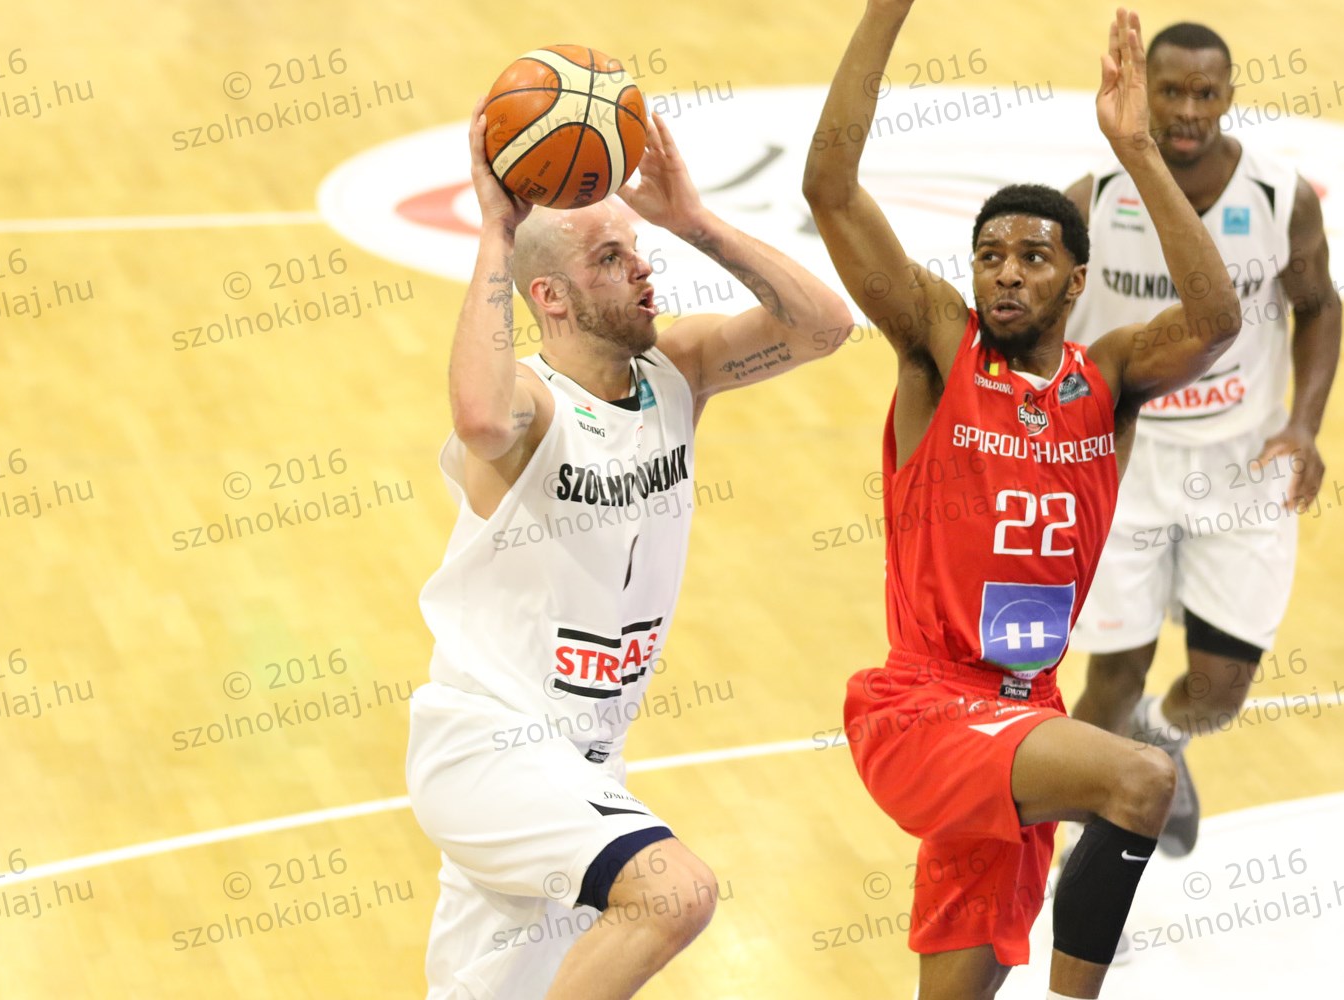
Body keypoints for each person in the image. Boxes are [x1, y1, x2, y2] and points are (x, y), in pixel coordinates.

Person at [803, 4, 1242, 997]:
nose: (1005, 271)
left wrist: (1136, 150)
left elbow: (1217, 320)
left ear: (1075, 281)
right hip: (926, 708)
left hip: (1024, 714)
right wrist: (885, 13)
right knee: (1142, 777)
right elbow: (828, 187)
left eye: (1032, 257)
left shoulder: (1108, 379)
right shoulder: (939, 349)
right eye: (989, 255)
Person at [406, 100, 852, 1000]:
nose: (643, 268)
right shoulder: (532, 405)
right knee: (675, 893)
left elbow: (824, 327)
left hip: (584, 759)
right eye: (610, 258)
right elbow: (481, 419)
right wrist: (496, 232)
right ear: (551, 297)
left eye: (638, 250)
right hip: (491, 744)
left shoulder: (677, 372)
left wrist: (695, 223)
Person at [1064, 21, 1343, 857]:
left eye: (1205, 93)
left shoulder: (1278, 196)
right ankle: (1072, 849)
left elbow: (1318, 305)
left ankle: (1160, 744)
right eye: (1171, 91)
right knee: (1112, 676)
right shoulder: (1092, 200)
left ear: (1228, 95)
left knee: (1219, 694)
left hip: (1244, 462)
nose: (1187, 110)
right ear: (1144, 92)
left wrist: (1304, 423)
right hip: (1123, 461)